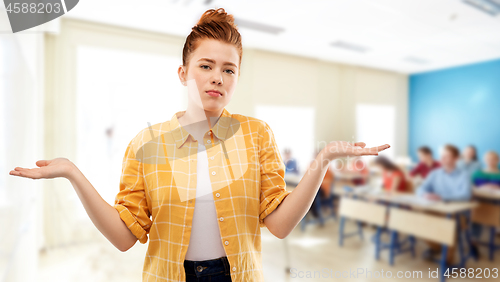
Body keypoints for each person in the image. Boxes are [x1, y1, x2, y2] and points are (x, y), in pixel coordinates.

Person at [8, 8, 391, 282]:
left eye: (229, 69)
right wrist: (74, 174)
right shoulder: (146, 143)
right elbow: (125, 237)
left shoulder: (257, 135)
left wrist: (322, 159)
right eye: (206, 66)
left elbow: (280, 224)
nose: (217, 78)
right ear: (183, 73)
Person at [416, 144, 472, 264]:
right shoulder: (435, 173)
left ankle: (447, 259)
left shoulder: (464, 175)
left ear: (456, 158)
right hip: (436, 209)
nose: (442, 159)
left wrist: (441, 197)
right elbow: (421, 188)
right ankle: (438, 247)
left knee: (450, 224)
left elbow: (466, 195)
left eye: (447, 156)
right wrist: (424, 194)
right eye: (442, 156)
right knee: (415, 219)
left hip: (457, 214)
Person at [470, 151, 500, 248]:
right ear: (484, 160)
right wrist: (484, 187)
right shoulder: (477, 173)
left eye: (493, 159)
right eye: (488, 159)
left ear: (497, 160)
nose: (491, 161)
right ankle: (474, 239)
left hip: (497, 202)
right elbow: (470, 187)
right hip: (481, 202)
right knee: (477, 210)